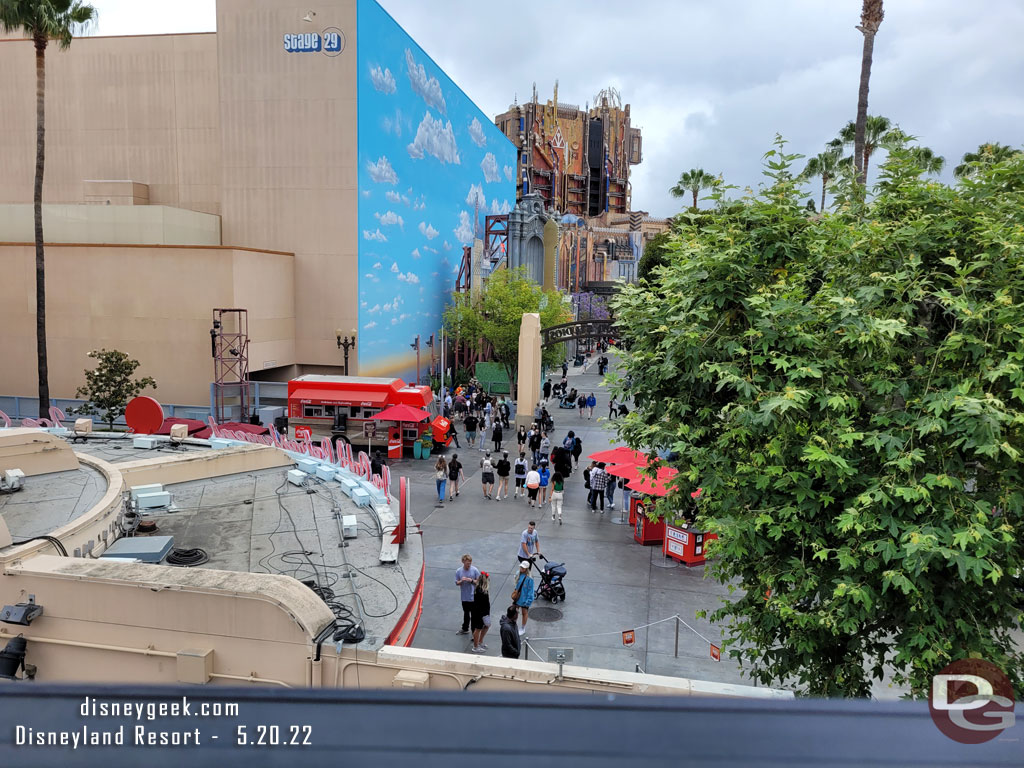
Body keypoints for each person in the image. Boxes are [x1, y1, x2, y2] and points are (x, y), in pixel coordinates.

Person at [455, 554, 480, 635]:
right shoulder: (459, 571)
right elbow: (457, 582)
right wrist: (461, 581)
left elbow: (479, 581)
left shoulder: (475, 570)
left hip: (473, 596)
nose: (468, 565)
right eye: (467, 563)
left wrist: (471, 580)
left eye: (469, 563)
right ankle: (465, 628)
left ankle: (474, 632)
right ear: (463, 562)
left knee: (473, 615)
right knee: (466, 613)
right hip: (464, 597)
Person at [513, 559, 536, 636]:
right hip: (518, 597)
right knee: (515, 611)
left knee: (524, 612)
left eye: (523, 568)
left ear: (526, 569)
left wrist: (528, 601)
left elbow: (531, 591)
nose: (521, 569)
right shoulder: (518, 574)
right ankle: (514, 625)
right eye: (521, 567)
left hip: (524, 598)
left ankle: (523, 628)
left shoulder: (530, 578)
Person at [470, 571, 491, 653]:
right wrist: (483, 615)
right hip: (480, 613)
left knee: (486, 626)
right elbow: (482, 605)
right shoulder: (481, 591)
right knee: (478, 629)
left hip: (483, 613)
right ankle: (475, 646)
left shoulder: (480, 589)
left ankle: (480, 642)